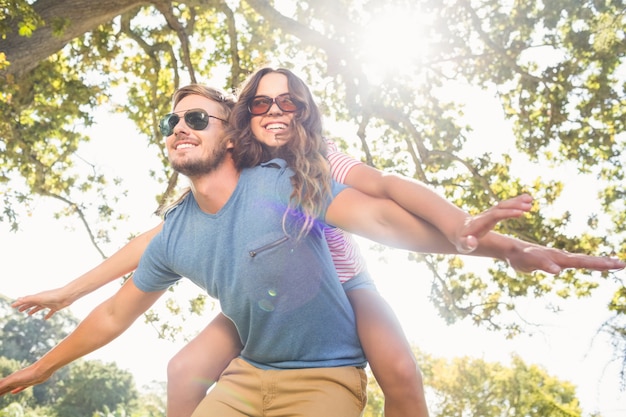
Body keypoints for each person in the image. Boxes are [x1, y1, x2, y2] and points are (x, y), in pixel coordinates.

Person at [11, 69, 626, 416]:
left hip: (342, 282)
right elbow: (144, 256)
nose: (179, 128)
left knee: (401, 374)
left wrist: (494, 243)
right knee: (185, 366)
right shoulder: (196, 214)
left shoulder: (305, 169)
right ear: (246, 121)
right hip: (261, 305)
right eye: (260, 104)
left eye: (197, 118)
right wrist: (66, 299)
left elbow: (387, 207)